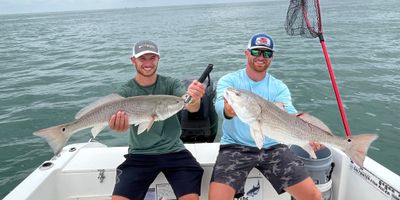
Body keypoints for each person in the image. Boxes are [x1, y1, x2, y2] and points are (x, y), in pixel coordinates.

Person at [209, 33, 323, 200]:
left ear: (272, 57)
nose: (261, 57)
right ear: (246, 53)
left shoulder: (279, 87)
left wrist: (312, 134)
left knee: (314, 196)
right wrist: (228, 110)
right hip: (235, 147)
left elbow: (291, 115)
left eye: (267, 53)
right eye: (256, 52)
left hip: (274, 147)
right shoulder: (230, 81)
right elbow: (220, 106)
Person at [108, 40, 205, 200]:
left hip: (175, 152)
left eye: (152, 58)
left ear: (158, 59)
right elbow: (116, 125)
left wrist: (194, 98)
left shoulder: (171, 84)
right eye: (142, 58)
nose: (148, 63)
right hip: (139, 155)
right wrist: (116, 126)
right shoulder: (125, 91)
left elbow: (188, 105)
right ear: (133, 60)